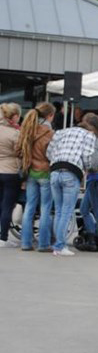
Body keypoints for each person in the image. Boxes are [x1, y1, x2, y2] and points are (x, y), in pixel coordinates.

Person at [46, 114, 97, 256]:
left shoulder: (60, 133)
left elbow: (49, 152)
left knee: (58, 210)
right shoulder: (88, 135)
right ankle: (60, 246)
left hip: (55, 171)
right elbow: (87, 156)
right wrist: (85, 168)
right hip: (71, 171)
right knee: (67, 211)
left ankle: (57, 244)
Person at [15, 102, 55, 251]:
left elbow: (18, 151)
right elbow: (51, 155)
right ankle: (43, 244)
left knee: (29, 208)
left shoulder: (27, 130)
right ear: (49, 116)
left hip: (30, 172)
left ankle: (25, 242)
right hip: (45, 172)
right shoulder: (49, 133)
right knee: (45, 208)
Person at [75, 114, 98, 252]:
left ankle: (96, 240)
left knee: (95, 211)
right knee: (86, 209)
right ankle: (95, 238)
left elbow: (93, 165)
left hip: (95, 178)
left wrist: (84, 164)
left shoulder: (96, 143)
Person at [0, 103, 22, 247]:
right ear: (14, 117)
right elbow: (20, 152)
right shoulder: (15, 134)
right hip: (10, 171)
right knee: (7, 205)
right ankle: (3, 238)